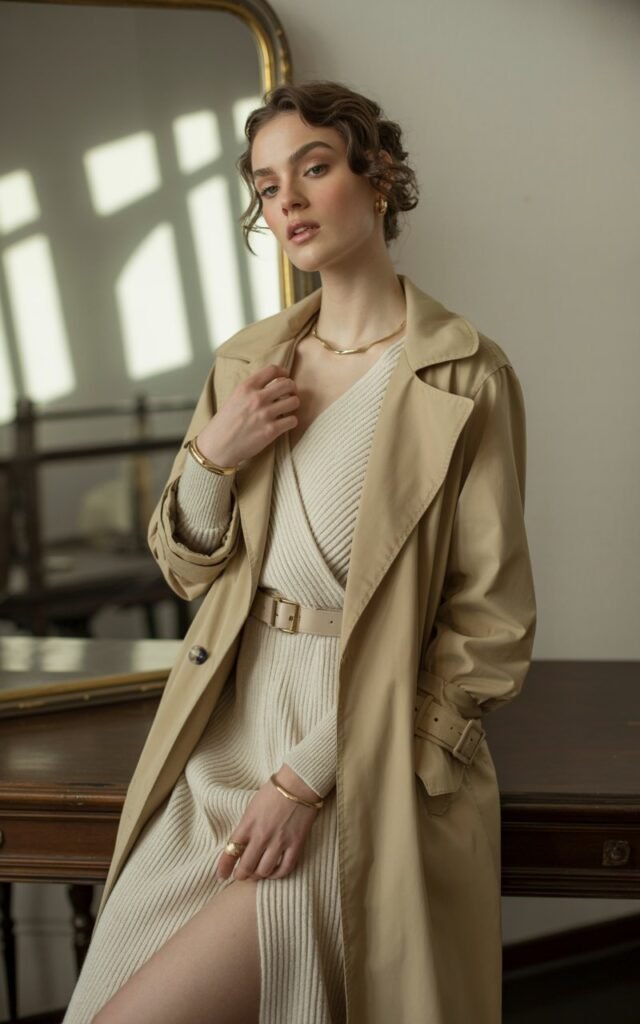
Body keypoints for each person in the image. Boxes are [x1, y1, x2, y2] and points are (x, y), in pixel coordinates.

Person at [63, 81, 536, 1024]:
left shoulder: (466, 375)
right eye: (267, 184)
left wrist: (308, 777)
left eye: (314, 169)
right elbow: (186, 569)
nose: (289, 202)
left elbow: (487, 629)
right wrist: (210, 456)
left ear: (380, 177)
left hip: (359, 757)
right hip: (227, 737)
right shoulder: (249, 365)